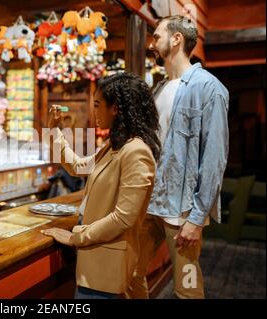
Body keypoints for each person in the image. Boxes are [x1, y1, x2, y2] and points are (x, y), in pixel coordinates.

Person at [128, 15, 229, 299]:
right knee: (128, 271)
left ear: (176, 39)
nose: (152, 42)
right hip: (150, 202)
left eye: (157, 35)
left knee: (186, 287)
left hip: (183, 210)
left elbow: (214, 158)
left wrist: (197, 219)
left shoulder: (208, 88)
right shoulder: (159, 88)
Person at [41, 72, 161, 299]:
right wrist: (54, 130)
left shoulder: (136, 151)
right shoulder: (114, 145)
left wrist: (76, 236)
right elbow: (77, 166)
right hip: (95, 259)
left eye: (97, 105)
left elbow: (123, 218)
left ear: (115, 108)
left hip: (107, 266)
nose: (94, 111)